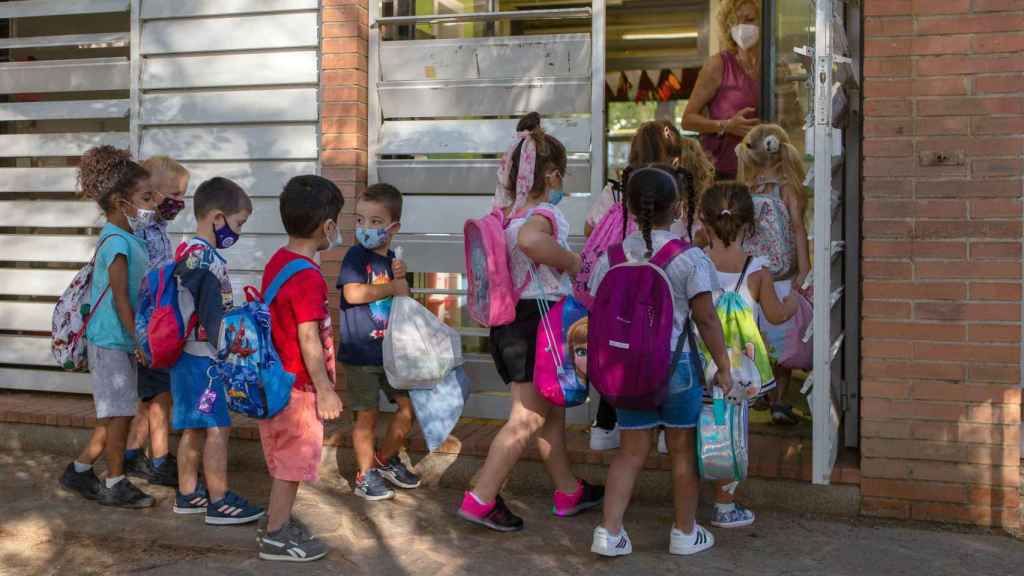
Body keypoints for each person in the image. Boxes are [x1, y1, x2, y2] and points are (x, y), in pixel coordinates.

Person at [458, 112, 603, 533]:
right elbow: (532, 243)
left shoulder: (505, 217)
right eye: (565, 176)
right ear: (553, 174)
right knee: (526, 419)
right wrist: (573, 261)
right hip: (539, 322)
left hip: (510, 325)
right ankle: (481, 497)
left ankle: (568, 491)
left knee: (549, 413)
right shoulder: (542, 217)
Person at [589, 165, 732, 558]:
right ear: (679, 208)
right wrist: (723, 365)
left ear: (631, 209)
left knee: (630, 452)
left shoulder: (611, 257)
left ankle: (609, 532)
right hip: (677, 367)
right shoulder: (688, 259)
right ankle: (684, 533)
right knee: (683, 451)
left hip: (627, 369)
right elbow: (705, 318)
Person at [59, 146, 157, 508]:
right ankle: (115, 481)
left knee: (118, 413)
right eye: (145, 197)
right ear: (120, 201)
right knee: (118, 415)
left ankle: (81, 470)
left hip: (119, 339)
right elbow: (120, 299)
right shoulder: (116, 242)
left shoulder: (130, 238)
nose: (153, 204)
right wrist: (138, 340)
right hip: (112, 340)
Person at [256, 175, 346, 562]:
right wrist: (325, 389)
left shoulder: (279, 261)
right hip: (297, 388)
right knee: (293, 463)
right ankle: (276, 534)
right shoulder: (308, 276)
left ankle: (279, 521)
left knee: (287, 459)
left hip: (277, 380)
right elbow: (308, 337)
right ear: (327, 227)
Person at [700, 181, 799, 528]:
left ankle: (688, 494)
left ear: (703, 221)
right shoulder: (757, 270)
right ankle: (725, 506)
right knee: (733, 432)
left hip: (699, 365)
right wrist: (794, 299)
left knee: (695, 426)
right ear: (750, 226)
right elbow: (775, 315)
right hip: (738, 371)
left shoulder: (695, 261)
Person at [584, 120, 683, 452]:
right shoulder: (672, 189)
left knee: (620, 345)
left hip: (621, 282)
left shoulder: (616, 188)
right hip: (663, 283)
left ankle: (606, 422)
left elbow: (590, 228)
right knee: (661, 345)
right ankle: (666, 427)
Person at [170, 177, 263, 525]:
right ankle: (219, 500)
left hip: (184, 358)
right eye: (238, 223)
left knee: (194, 427)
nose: (237, 232)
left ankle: (188, 493)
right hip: (204, 362)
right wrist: (232, 351)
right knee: (217, 428)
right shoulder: (207, 261)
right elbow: (213, 321)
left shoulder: (185, 251)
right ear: (217, 217)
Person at [337, 182, 420, 501]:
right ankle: (364, 475)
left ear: (393, 227)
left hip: (391, 354)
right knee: (366, 416)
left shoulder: (393, 260)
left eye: (374, 222)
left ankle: (384, 460)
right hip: (361, 355)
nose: (365, 228)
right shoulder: (356, 257)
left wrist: (401, 279)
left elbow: (404, 303)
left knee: (407, 408)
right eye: (360, 220)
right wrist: (392, 288)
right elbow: (352, 293)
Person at [737, 124, 810, 425]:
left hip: (753, 274)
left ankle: (759, 391)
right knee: (785, 342)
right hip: (782, 276)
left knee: (755, 335)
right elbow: (797, 228)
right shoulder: (787, 188)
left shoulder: (745, 191)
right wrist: (805, 268)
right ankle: (779, 399)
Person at [124, 156, 190, 487]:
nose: (179, 202)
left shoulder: (159, 231)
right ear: (150, 192)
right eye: (174, 194)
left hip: (158, 328)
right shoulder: (141, 234)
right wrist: (140, 338)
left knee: (149, 397)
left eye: (184, 195)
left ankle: (132, 454)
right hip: (148, 332)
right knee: (162, 396)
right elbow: (140, 289)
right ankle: (161, 460)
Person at [683, 0, 762, 180]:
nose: (742, 27)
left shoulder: (772, 67)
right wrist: (726, 126)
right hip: (724, 175)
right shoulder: (718, 65)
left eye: (749, 19)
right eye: (736, 22)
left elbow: (792, 118)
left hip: (764, 172)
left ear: (763, 24)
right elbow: (687, 120)